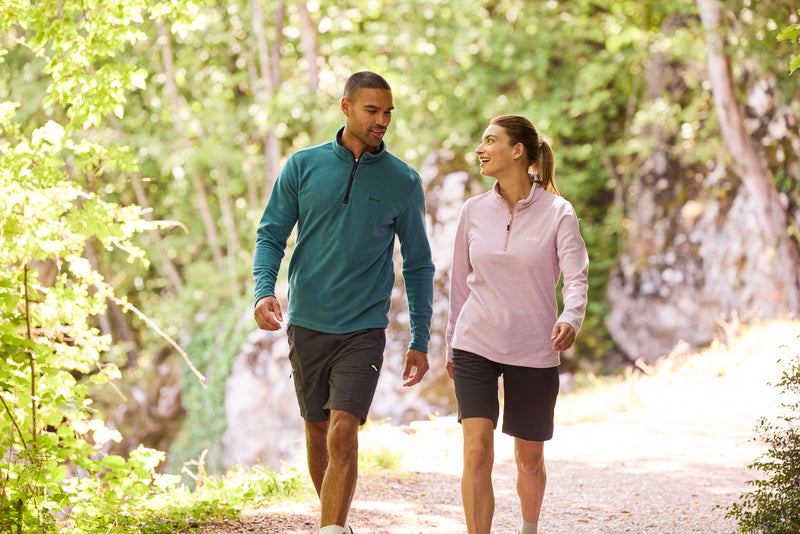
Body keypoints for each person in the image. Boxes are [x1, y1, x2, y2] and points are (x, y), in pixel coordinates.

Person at [252, 71, 435, 534]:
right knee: (317, 430)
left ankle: (331, 529)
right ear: (346, 107)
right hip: (308, 321)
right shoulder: (302, 166)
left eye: (388, 112)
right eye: (372, 110)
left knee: (343, 429)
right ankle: (336, 524)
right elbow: (271, 235)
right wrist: (263, 290)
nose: (382, 121)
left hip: (363, 327)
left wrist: (420, 337)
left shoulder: (403, 181)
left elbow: (418, 264)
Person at [445, 115, 589, 534]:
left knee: (529, 459)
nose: (480, 149)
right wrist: (451, 341)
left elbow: (576, 276)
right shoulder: (472, 211)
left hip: (534, 346)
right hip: (475, 342)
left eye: (490, 140)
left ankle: (529, 528)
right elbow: (459, 282)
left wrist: (571, 317)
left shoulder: (558, 212)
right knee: (475, 452)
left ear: (517, 150)